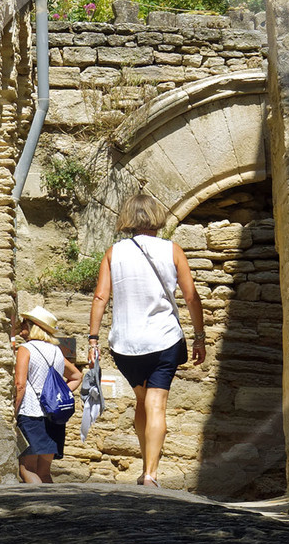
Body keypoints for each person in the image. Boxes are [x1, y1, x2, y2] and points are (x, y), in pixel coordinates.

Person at [87, 193, 206, 488]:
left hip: (126, 344)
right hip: (163, 339)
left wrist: (92, 340)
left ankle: (145, 466)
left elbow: (101, 296)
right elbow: (191, 297)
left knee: (142, 400)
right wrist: (200, 337)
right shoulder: (172, 250)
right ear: (156, 217)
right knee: (157, 404)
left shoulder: (114, 253)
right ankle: (151, 473)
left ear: (127, 218)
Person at [14, 306, 80, 485]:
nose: (21, 328)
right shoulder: (57, 352)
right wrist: (57, 395)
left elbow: (20, 385)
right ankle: (52, 510)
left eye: (23, 323)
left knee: (26, 469)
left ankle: (38, 509)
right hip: (53, 416)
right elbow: (76, 376)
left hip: (31, 414)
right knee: (44, 472)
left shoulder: (25, 349)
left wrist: (13, 412)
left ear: (32, 325)